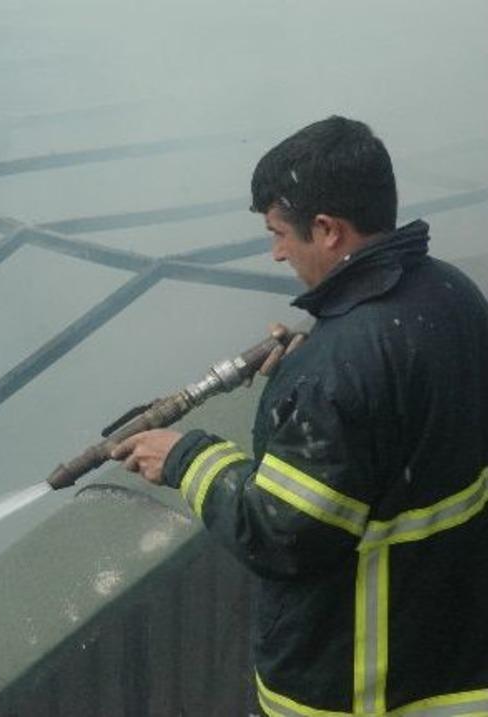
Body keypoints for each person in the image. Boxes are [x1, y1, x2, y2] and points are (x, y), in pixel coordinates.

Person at [113, 116, 488, 715]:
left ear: (327, 229)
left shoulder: (337, 369)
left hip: (359, 684)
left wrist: (185, 457)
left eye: (279, 233)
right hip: (452, 655)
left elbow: (284, 537)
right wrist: (321, 359)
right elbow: (403, 416)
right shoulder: (451, 293)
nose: (277, 252)